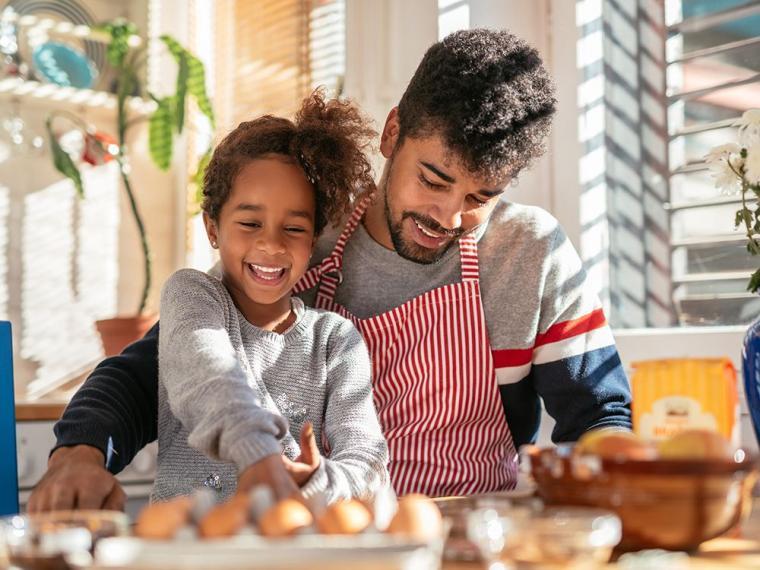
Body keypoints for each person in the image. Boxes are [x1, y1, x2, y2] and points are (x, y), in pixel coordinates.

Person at [28, 29, 631, 511]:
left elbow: (600, 417)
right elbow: (157, 367)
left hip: (476, 540)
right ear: (392, 132)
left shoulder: (530, 253)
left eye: (479, 198)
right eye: (433, 180)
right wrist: (80, 452)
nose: (446, 217)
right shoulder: (300, 240)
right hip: (332, 542)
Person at [152, 91, 388, 504]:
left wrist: (317, 478)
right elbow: (209, 376)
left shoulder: (335, 339)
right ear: (213, 228)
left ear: (314, 238)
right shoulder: (191, 297)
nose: (271, 244)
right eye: (249, 222)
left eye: (294, 229)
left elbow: (367, 459)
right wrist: (258, 453)